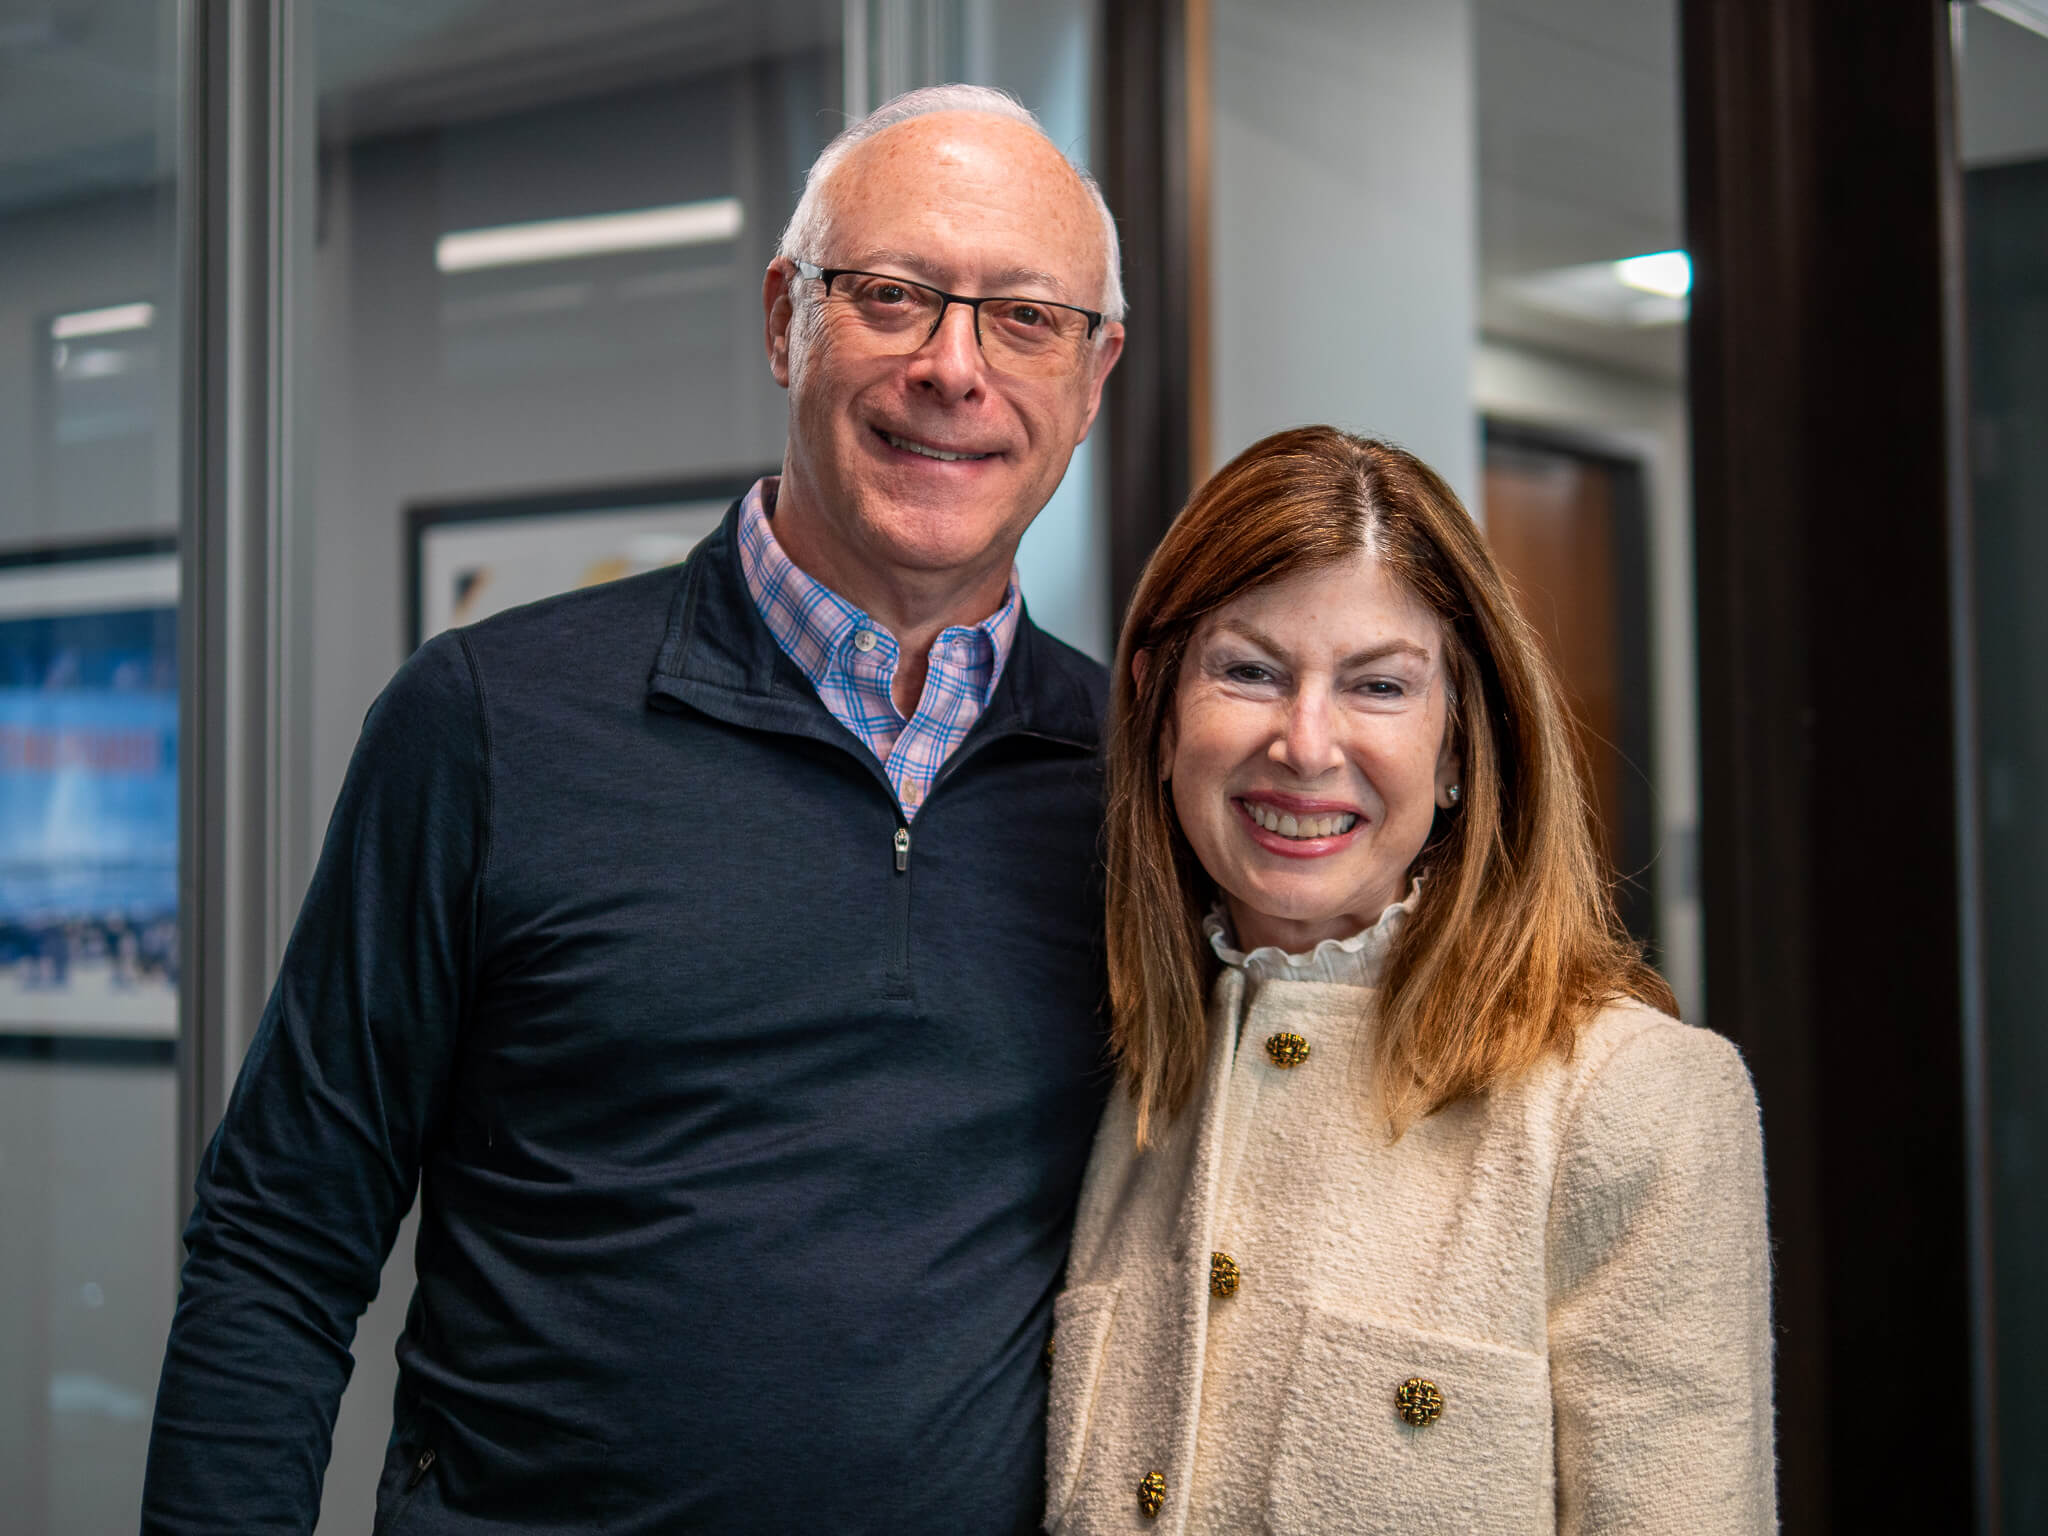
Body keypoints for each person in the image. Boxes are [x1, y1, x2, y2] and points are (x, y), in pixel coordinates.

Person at [142, 84, 1125, 1534]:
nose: (955, 369)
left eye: (1026, 318)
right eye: (897, 297)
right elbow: (279, 1242)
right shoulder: (486, 722)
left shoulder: (1133, 776)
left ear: (1095, 376)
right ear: (787, 315)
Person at [1045, 427, 1774, 1534]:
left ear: (1455, 747)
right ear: (1155, 707)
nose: (1304, 743)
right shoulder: (1116, 1071)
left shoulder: (1629, 1100)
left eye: (1377, 685)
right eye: (1248, 671)